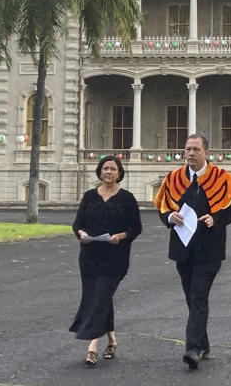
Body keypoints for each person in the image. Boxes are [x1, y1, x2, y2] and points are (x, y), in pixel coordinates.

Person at [154, 133, 231, 370]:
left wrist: (215, 218)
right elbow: (163, 208)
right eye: (188, 149)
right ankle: (203, 343)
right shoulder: (173, 178)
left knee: (198, 296)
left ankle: (193, 349)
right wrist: (169, 217)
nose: (190, 153)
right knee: (191, 297)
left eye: (195, 149)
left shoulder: (222, 178)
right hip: (183, 250)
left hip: (209, 251)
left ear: (206, 153)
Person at [69, 155, 142, 368]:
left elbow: (135, 228)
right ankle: (111, 340)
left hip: (115, 259)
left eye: (113, 169)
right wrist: (81, 233)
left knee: (99, 296)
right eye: (105, 168)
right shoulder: (89, 197)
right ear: (100, 172)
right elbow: (77, 225)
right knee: (99, 297)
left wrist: (120, 236)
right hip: (90, 257)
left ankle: (92, 345)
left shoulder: (127, 198)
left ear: (119, 174)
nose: (108, 172)